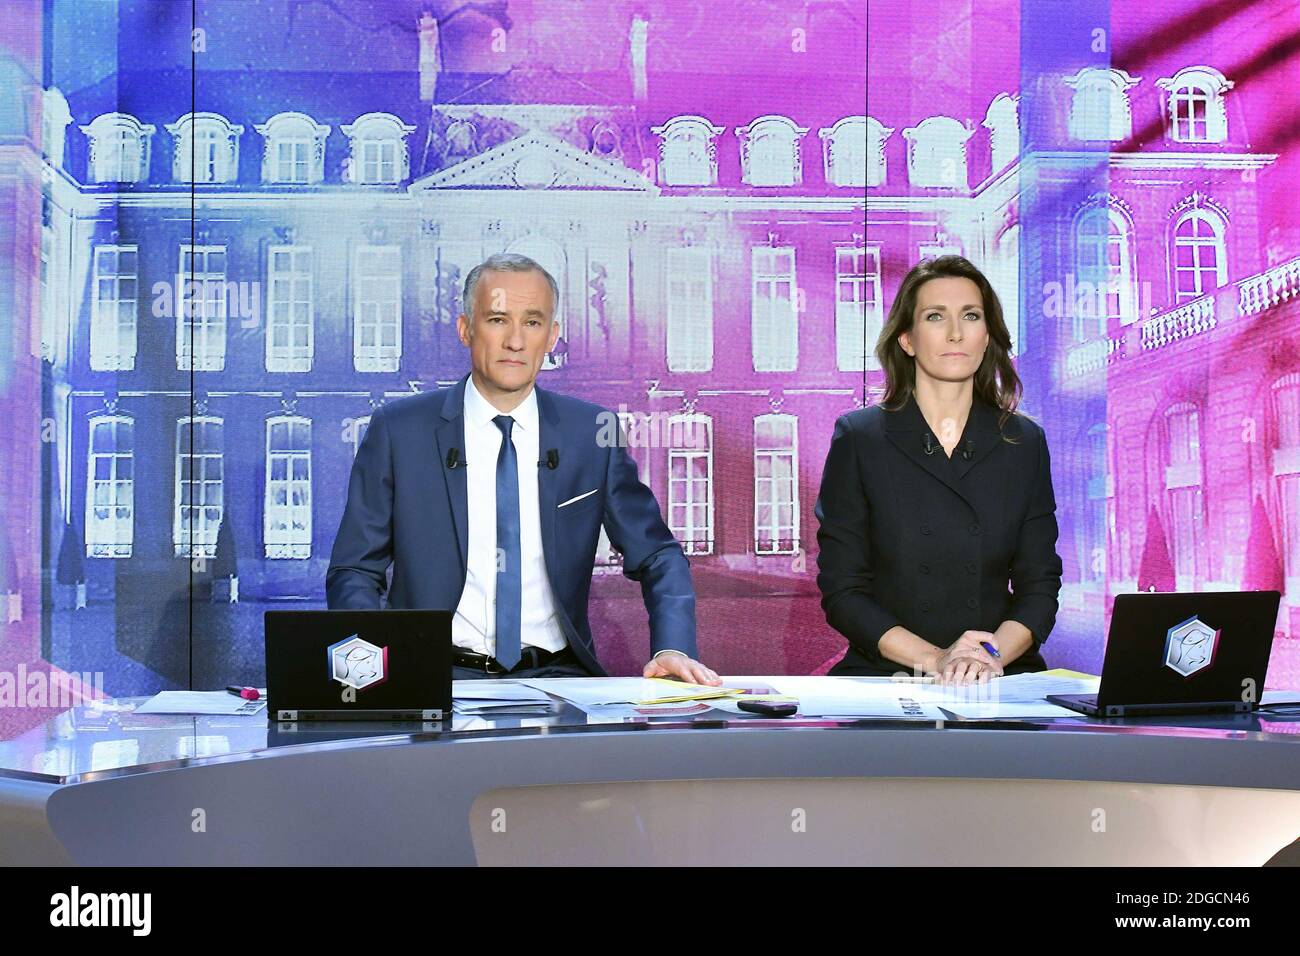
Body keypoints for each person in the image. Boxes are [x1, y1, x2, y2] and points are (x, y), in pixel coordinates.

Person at [327, 253, 720, 685]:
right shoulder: (399, 431)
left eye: (532, 323)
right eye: (497, 319)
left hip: (559, 677)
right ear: (466, 329)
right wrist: (366, 671)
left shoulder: (590, 433)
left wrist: (673, 646)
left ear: (551, 337)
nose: (515, 340)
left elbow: (658, 554)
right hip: (431, 674)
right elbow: (355, 571)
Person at [814, 255, 1062, 684]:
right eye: (935, 317)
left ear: (987, 336)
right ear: (907, 338)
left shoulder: (1024, 441)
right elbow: (844, 591)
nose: (955, 333)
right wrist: (936, 659)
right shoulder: (861, 437)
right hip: (889, 673)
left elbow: (1039, 587)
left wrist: (984, 657)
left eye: (971, 316)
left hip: (998, 672)